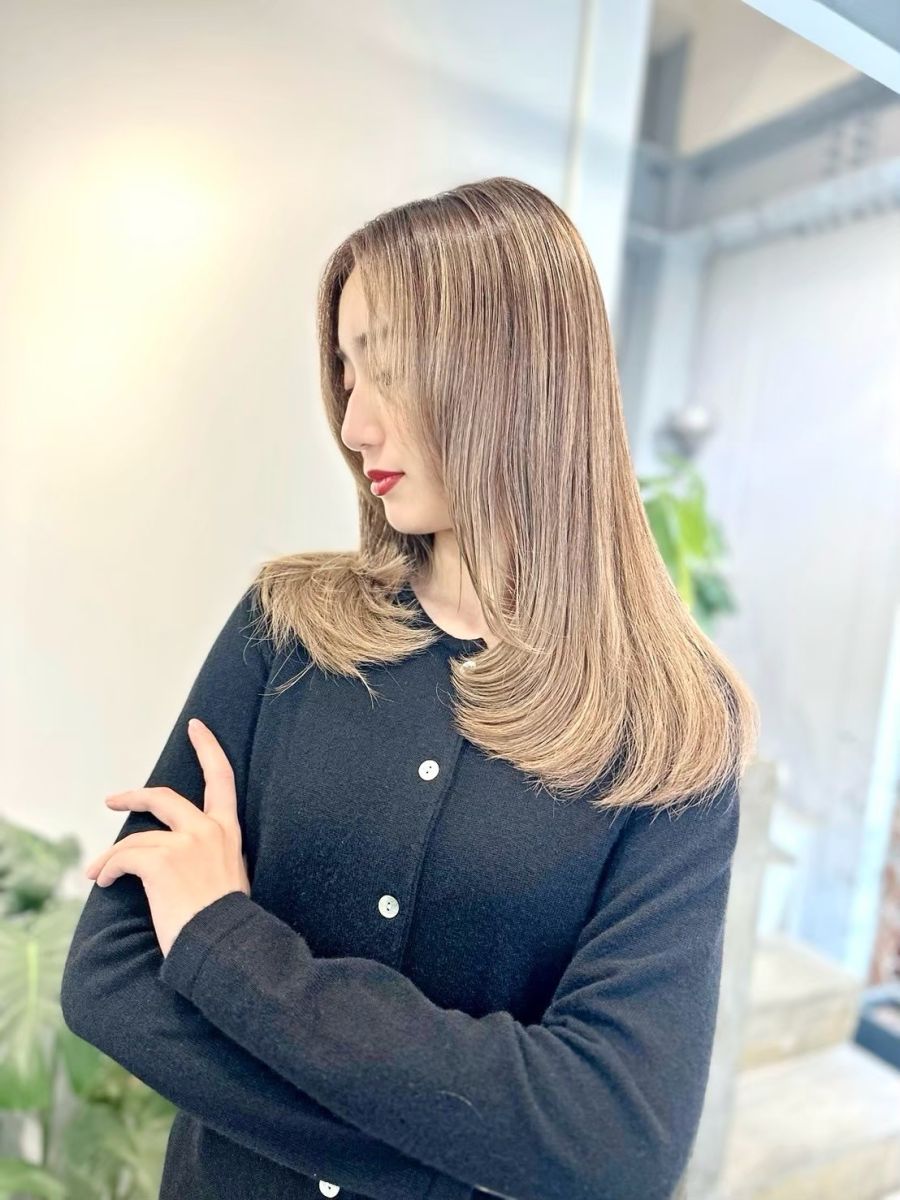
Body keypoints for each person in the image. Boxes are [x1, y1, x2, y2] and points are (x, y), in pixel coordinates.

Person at [60, 176, 759, 1200]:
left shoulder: (670, 724)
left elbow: (616, 1141)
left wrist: (223, 941)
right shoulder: (285, 626)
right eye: (345, 374)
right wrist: (461, 1156)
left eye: (385, 370)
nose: (353, 425)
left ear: (517, 372)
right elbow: (109, 978)